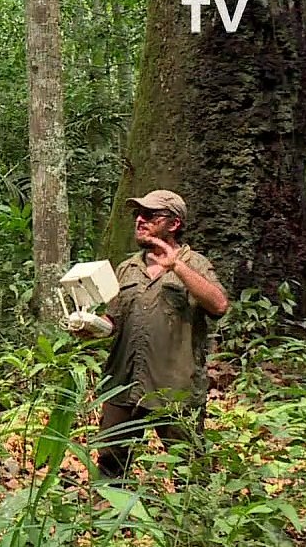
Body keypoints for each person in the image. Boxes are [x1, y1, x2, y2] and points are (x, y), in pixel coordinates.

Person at [76, 189, 230, 479]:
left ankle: (193, 522)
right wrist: (90, 327)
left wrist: (177, 267)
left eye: (149, 215)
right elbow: (113, 322)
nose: (140, 221)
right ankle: (107, 517)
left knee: (189, 468)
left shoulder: (194, 264)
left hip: (174, 386)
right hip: (123, 382)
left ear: (173, 224)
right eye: (137, 215)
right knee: (110, 462)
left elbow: (219, 305)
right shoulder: (126, 268)